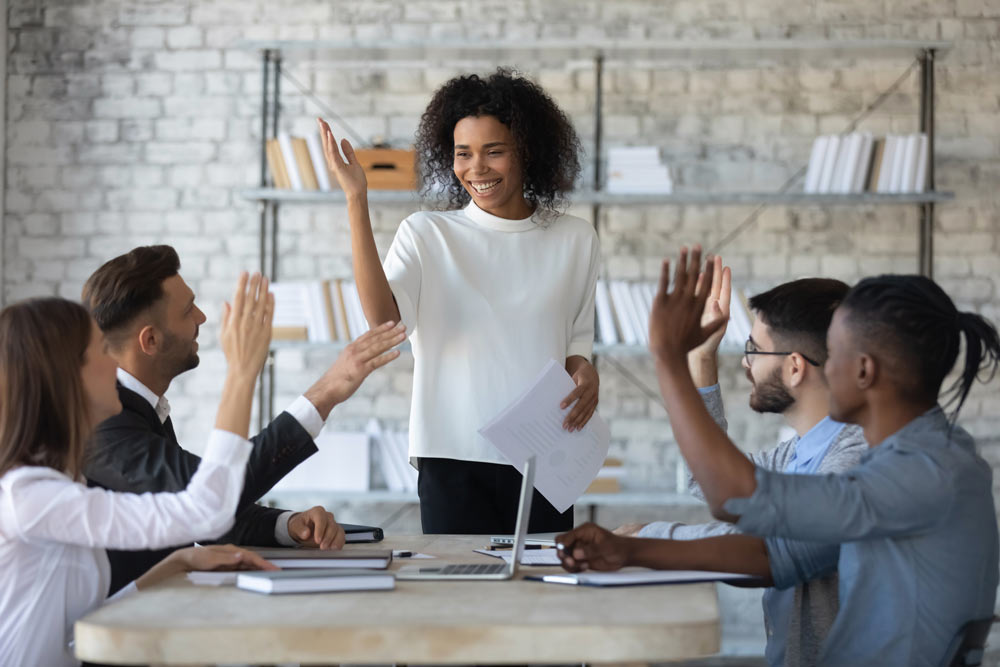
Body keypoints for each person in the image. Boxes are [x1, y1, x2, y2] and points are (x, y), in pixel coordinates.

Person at [559, 247, 1000, 667]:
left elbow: (736, 501)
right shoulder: (917, 454)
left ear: (863, 370)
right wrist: (628, 548)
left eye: (835, 354)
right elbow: (775, 552)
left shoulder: (922, 470)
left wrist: (668, 358)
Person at [318, 69, 601, 534]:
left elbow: (576, 342)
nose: (477, 168)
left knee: (539, 601)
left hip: (545, 457)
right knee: (458, 602)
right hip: (450, 455)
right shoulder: (427, 234)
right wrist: (356, 200)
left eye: (495, 151)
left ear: (527, 151)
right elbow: (384, 321)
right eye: (463, 153)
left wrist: (585, 371)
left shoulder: (576, 239)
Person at [81, 245, 404, 593]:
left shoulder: (139, 406)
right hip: (122, 631)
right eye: (188, 310)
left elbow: (197, 508)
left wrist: (288, 525)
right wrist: (324, 392)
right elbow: (206, 498)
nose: (202, 318)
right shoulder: (104, 424)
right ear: (151, 339)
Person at [0, 276, 279, 666]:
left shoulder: (57, 485)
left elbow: (77, 629)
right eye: (100, 349)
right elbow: (205, 510)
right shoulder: (31, 496)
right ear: (68, 376)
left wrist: (177, 564)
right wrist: (242, 374)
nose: (115, 360)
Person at [609, 260, 867, 667]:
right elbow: (710, 479)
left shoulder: (854, 458)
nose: (746, 363)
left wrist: (650, 538)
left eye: (753, 350)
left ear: (795, 367)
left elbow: (772, 551)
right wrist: (701, 358)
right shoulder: (798, 454)